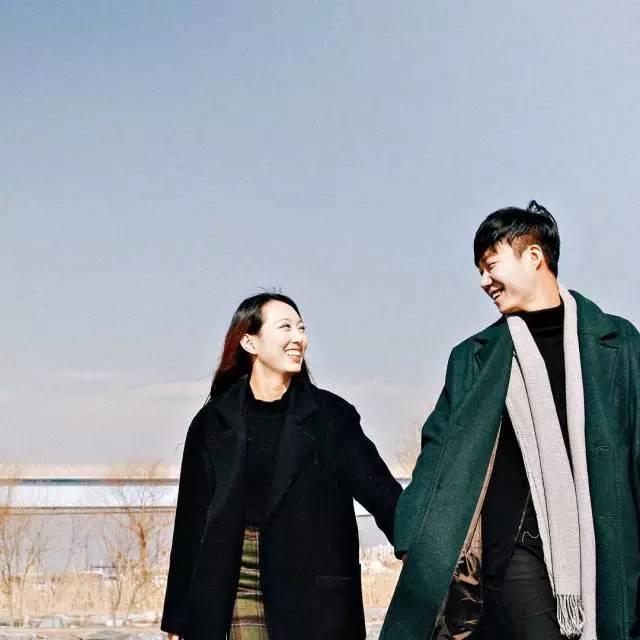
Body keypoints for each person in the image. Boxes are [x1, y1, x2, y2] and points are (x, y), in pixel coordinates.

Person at [381, 202, 640, 640]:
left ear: (533, 257)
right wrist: (412, 534)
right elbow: (439, 448)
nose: (484, 281)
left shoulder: (617, 342)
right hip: (512, 541)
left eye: (490, 265)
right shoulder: (474, 357)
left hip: (603, 537)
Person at [161, 292, 401, 640]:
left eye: (301, 328)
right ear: (250, 342)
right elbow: (190, 524)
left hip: (315, 594)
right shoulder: (211, 423)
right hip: (234, 581)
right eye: (285, 327)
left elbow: (383, 495)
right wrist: (177, 615)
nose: (298, 338)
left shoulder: (332, 417)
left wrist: (423, 551)